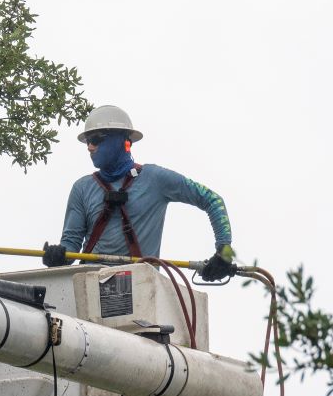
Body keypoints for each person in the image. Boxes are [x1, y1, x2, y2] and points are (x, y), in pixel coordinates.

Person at [42, 105, 235, 281]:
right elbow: (71, 245)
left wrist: (224, 254)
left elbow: (213, 200)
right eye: (87, 142)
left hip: (141, 289)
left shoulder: (155, 179)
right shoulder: (82, 188)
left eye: (95, 140)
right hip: (91, 287)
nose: (90, 147)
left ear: (121, 141)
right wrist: (58, 256)